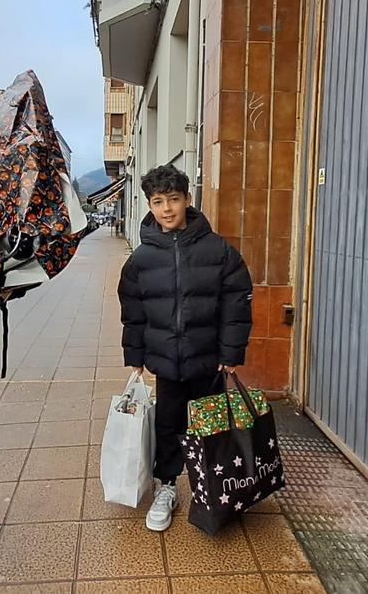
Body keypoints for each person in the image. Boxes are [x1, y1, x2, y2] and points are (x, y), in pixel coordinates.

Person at [117, 164, 253, 531]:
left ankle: (216, 488)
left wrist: (231, 352)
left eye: (174, 199)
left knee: (212, 428)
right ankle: (166, 487)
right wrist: (135, 356)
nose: (167, 209)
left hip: (209, 362)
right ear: (149, 205)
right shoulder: (141, 260)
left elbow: (236, 303)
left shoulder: (218, 250)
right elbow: (133, 312)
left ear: (188, 199)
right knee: (168, 426)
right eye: (158, 201)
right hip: (167, 364)